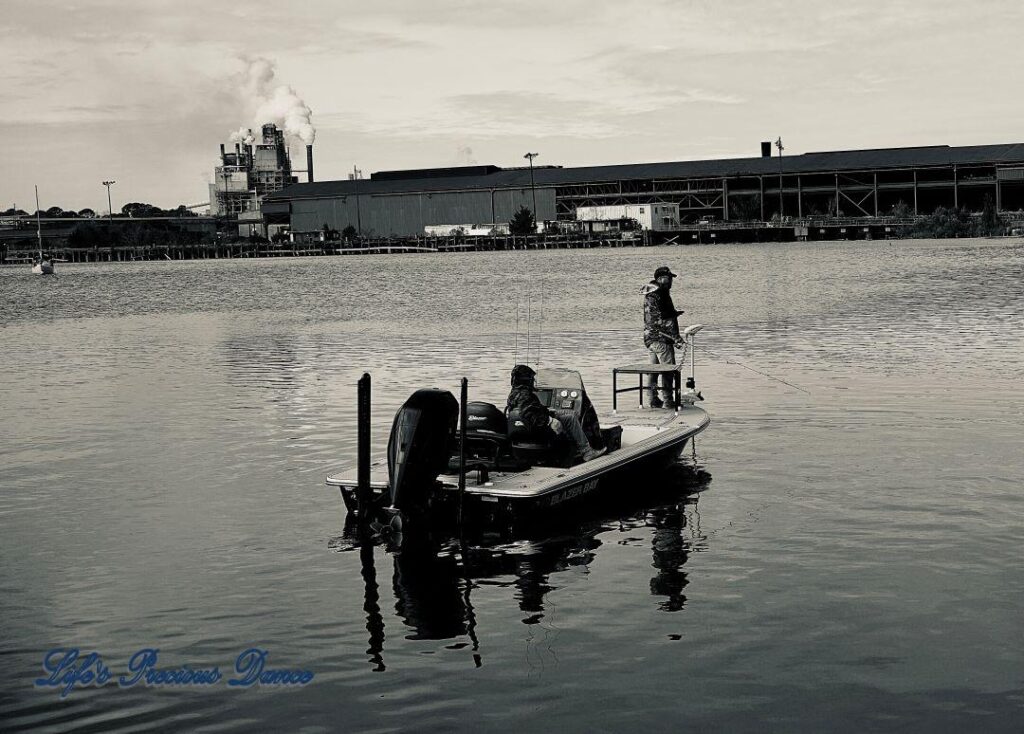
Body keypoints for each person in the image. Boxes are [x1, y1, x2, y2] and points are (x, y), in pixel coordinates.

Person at [506, 364, 606, 462]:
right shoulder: (525, 395)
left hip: (527, 432)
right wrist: (549, 420)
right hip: (538, 430)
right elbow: (528, 413)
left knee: (561, 416)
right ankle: (586, 452)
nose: (533, 381)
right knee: (570, 418)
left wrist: (549, 413)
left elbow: (529, 411)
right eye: (531, 378)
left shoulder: (513, 394)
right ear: (526, 379)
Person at [641, 265, 685, 408]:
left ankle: (653, 399)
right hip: (661, 339)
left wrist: (674, 314)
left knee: (653, 371)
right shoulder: (660, 294)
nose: (671, 281)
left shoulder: (652, 293)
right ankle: (668, 401)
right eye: (668, 278)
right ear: (660, 279)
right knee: (668, 370)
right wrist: (675, 338)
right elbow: (661, 320)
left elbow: (657, 317)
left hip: (650, 338)